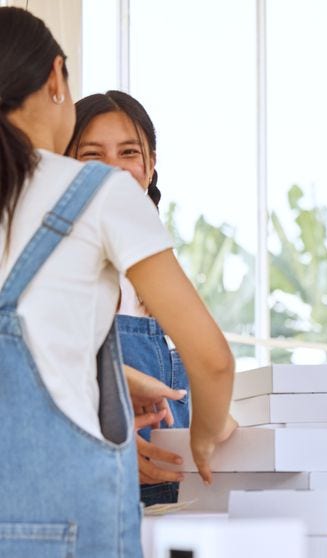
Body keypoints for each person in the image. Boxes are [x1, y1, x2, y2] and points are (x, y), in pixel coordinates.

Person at [0, 7, 234, 555]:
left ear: (152, 162)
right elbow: (215, 361)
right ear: (57, 78)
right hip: (73, 519)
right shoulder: (100, 195)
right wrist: (202, 435)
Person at [66, 90, 191, 506]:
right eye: (92, 155)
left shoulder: (162, 276)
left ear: (150, 166)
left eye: (128, 153)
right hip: (93, 494)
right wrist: (109, 443)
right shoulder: (53, 268)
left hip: (176, 503)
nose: (114, 171)